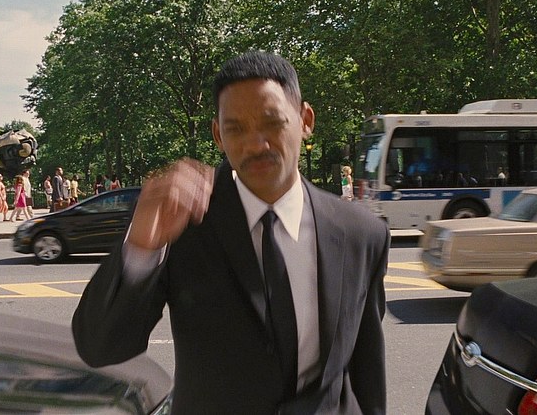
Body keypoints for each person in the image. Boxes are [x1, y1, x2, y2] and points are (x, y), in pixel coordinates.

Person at [73, 51, 390, 414]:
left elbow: (366, 371)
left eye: (272, 123)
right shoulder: (184, 225)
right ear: (217, 135)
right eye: (236, 129)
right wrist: (141, 248)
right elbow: (100, 347)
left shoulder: (361, 234)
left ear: (305, 120)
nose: (255, 144)